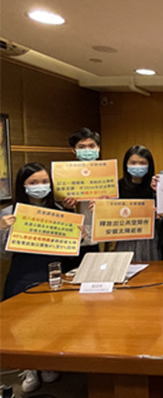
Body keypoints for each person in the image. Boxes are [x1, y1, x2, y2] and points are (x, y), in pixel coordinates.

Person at [0, 162, 76, 392]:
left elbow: (70, 252)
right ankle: (30, 369)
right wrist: (2, 230)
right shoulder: (9, 213)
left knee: (52, 322)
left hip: (52, 273)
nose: (40, 186)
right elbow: (3, 255)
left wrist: (78, 237)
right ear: (23, 185)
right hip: (22, 274)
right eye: (33, 182)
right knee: (23, 325)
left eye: (44, 181)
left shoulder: (59, 211)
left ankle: (49, 365)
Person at [61, 127, 102, 267]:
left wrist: (105, 205)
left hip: (100, 238)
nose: (87, 150)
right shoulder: (63, 175)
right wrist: (67, 207)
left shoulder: (108, 175)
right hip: (73, 239)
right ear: (74, 151)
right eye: (82, 147)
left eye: (91, 146)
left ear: (98, 148)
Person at [114, 145, 159, 262]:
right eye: (133, 163)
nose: (137, 166)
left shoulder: (155, 186)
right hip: (125, 238)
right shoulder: (117, 187)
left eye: (142, 163)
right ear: (126, 164)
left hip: (149, 239)